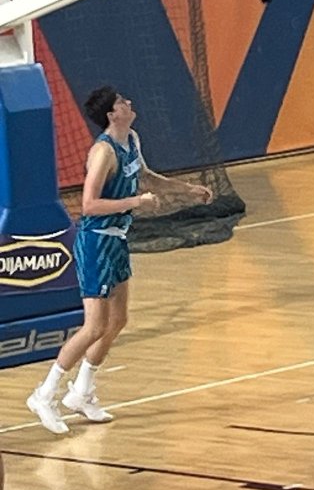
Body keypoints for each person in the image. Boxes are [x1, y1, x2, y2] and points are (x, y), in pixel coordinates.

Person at [26, 87, 212, 435]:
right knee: (94, 326)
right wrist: (137, 202)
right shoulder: (103, 152)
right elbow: (88, 205)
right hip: (95, 241)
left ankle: (81, 392)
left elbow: (147, 177)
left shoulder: (132, 140)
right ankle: (44, 394)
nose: (129, 103)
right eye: (122, 102)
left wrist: (188, 190)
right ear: (112, 114)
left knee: (118, 320)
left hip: (117, 240)